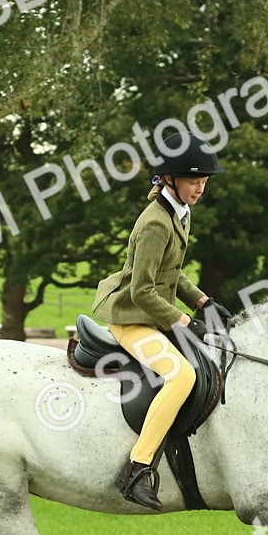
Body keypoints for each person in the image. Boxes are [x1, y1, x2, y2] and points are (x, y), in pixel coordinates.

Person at [92, 131, 229, 511]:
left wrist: (204, 302)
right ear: (169, 179)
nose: (200, 189)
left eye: (203, 182)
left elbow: (172, 273)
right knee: (181, 375)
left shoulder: (178, 212)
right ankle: (136, 468)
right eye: (194, 181)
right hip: (130, 318)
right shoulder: (156, 222)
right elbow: (142, 290)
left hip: (151, 316)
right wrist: (184, 320)